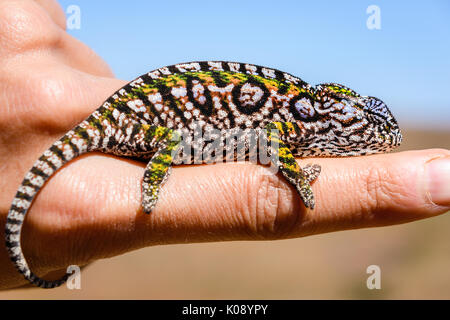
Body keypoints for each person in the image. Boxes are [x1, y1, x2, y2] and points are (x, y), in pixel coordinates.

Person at [1, 0, 449, 290]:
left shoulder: (303, 113)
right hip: (138, 123)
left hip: (138, 117)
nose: (367, 142)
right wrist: (293, 176)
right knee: (169, 142)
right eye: (361, 132)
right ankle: (156, 173)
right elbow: (270, 141)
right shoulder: (295, 119)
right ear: (331, 117)